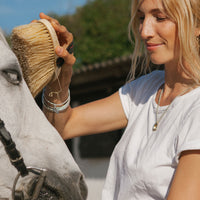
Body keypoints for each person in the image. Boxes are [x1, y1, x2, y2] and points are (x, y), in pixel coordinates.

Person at [40, 0, 200, 199]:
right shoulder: (144, 90)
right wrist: (59, 76)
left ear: (196, 25)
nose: (144, 31)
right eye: (142, 18)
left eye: (160, 18)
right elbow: (62, 127)